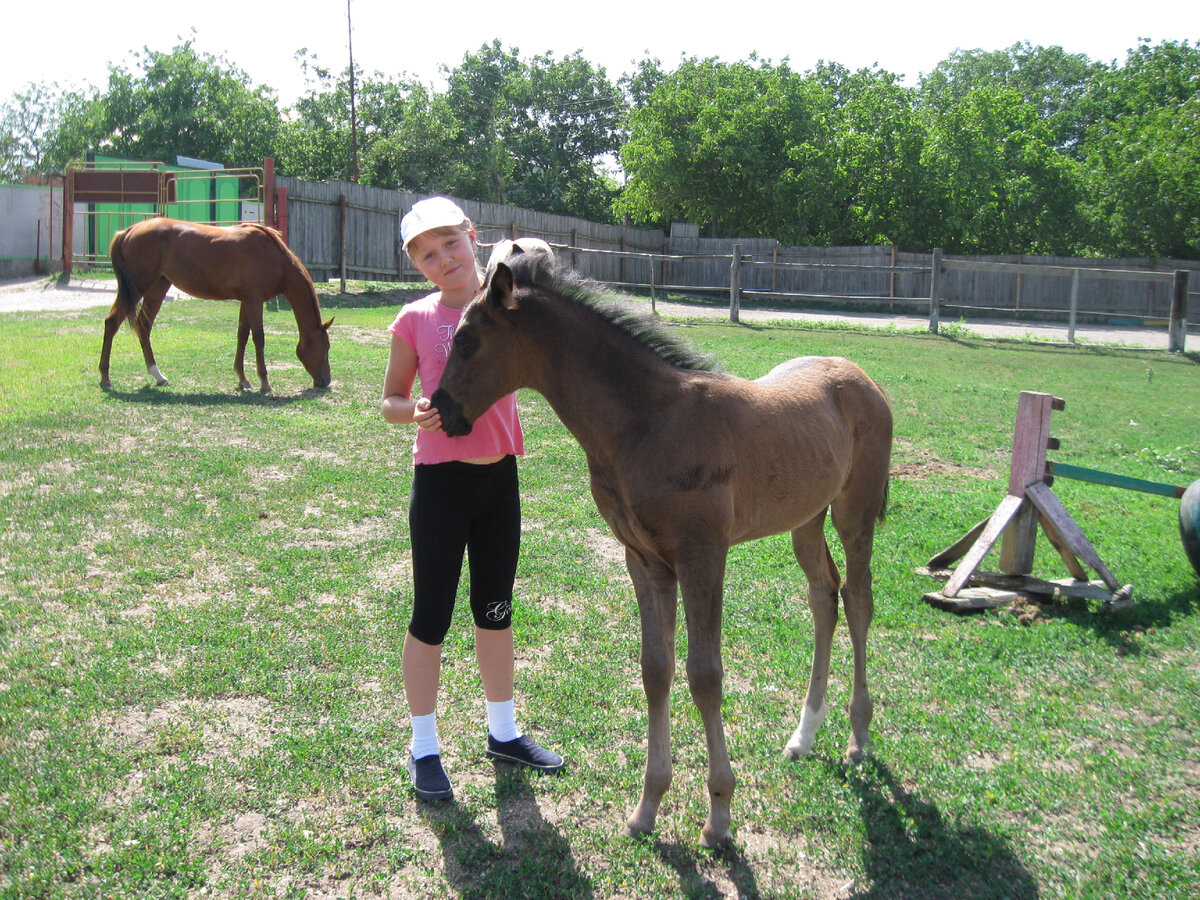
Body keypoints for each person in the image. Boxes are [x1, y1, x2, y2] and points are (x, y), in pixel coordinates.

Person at [381, 197, 564, 801]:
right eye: (427, 256)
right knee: (431, 617)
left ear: (472, 236)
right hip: (439, 487)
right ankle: (424, 747)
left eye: (450, 244)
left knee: (495, 609)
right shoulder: (414, 319)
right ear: (418, 267)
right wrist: (417, 413)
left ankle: (503, 734)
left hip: (498, 482)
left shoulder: (511, 306)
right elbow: (390, 402)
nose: (443, 260)